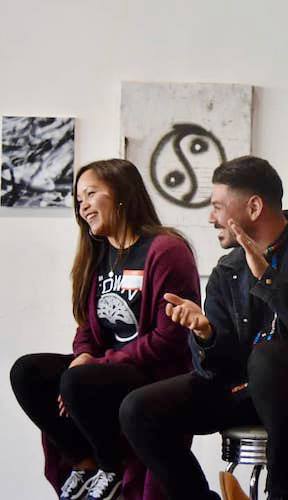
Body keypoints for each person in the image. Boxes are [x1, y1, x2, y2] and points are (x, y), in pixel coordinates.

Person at [120, 155, 288, 500]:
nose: (211, 217)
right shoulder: (228, 268)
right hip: (250, 389)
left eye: (218, 206)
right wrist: (206, 335)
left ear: (253, 207)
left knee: (269, 358)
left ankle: (286, 492)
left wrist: (268, 279)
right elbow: (222, 367)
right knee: (139, 410)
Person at [10, 159, 201, 500]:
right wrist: (84, 355)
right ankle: (84, 464)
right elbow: (86, 325)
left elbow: (169, 340)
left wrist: (98, 364)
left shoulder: (166, 250)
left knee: (76, 380)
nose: (82, 204)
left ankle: (112, 468)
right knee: (28, 372)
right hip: (108, 370)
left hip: (154, 374)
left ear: (122, 193)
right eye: (78, 198)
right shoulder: (99, 255)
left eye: (91, 193)